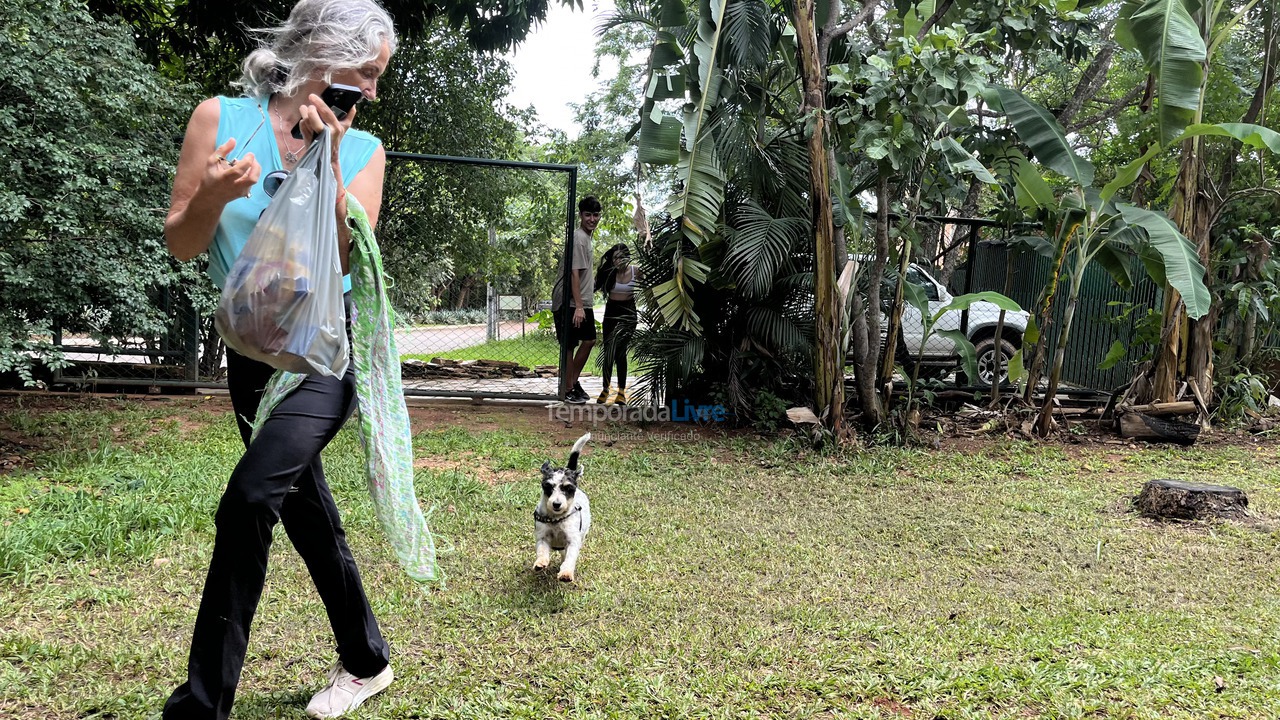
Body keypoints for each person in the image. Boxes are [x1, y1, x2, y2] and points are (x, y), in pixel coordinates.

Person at [160, 1, 397, 717]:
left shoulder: (363, 151)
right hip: (251, 357)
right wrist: (212, 196)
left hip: (325, 356)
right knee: (303, 510)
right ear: (322, 52)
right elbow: (182, 242)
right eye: (368, 72)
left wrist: (323, 162)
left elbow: (348, 254)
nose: (375, 92)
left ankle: (200, 706)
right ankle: (367, 658)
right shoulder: (218, 119)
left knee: (249, 499)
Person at [552, 196, 601, 404]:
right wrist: (579, 306)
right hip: (570, 301)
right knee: (571, 344)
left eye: (595, 215)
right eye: (588, 215)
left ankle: (572, 383)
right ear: (580, 215)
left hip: (579, 300)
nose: (592, 219)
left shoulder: (586, 238)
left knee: (589, 340)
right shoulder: (579, 238)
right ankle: (569, 387)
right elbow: (573, 273)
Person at [593, 243, 640, 404]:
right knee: (608, 352)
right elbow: (592, 287)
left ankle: (621, 392)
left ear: (627, 257)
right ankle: (605, 389)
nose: (619, 261)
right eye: (615, 258)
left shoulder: (635, 270)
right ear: (612, 260)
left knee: (620, 352)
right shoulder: (608, 273)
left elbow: (651, 287)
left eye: (622, 257)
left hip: (628, 313)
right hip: (611, 313)